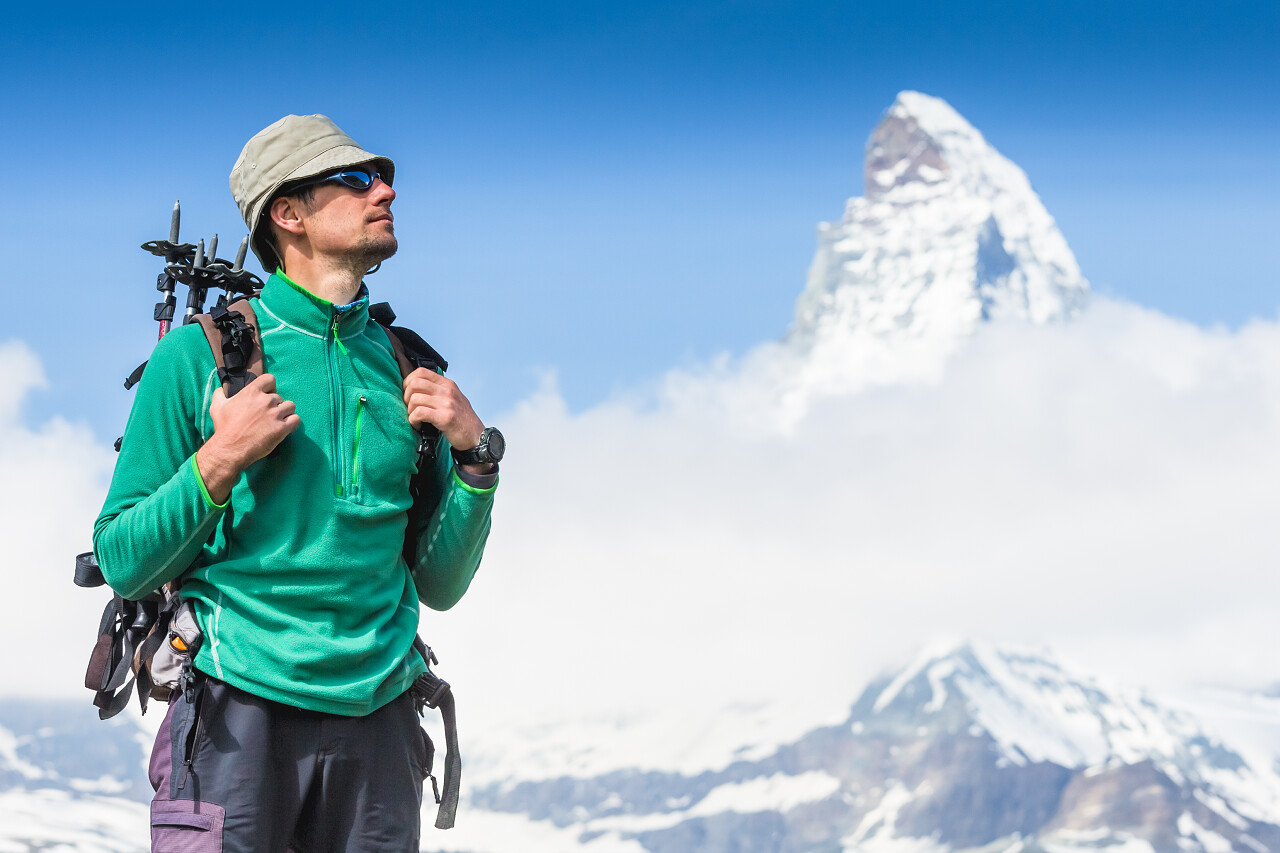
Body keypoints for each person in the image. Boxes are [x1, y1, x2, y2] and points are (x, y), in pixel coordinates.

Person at [93, 114, 502, 852]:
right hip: (234, 714)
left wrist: (478, 459)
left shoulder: (411, 370)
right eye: (355, 179)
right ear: (288, 214)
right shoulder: (196, 358)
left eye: (384, 178)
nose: (385, 189)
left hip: (379, 719)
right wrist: (221, 458)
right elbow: (122, 555)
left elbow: (439, 583)